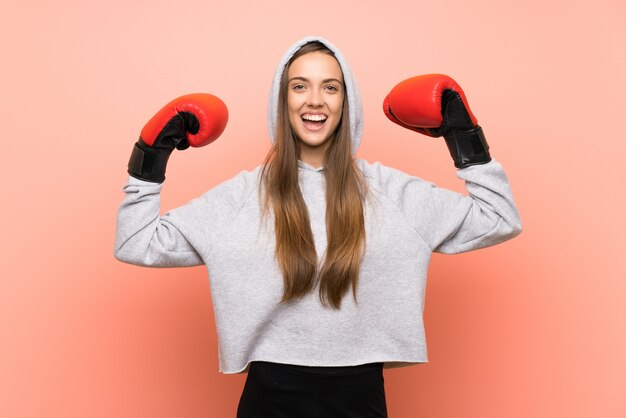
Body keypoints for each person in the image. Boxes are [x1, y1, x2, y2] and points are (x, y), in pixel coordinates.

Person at [114, 36, 522, 418]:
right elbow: (136, 243)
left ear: (347, 102)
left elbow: (498, 218)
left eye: (330, 87)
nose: (315, 100)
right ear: (283, 99)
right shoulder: (242, 196)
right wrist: (150, 157)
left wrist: (464, 138)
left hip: (361, 396)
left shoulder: (390, 191)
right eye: (299, 86)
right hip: (269, 398)